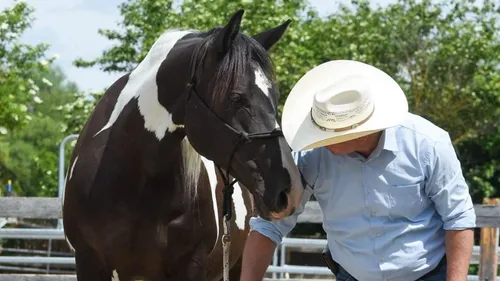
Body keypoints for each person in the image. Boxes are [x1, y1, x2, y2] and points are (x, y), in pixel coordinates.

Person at [239, 60, 476, 281]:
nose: (318, 139)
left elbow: (458, 219)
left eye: (327, 133)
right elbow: (270, 224)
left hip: (428, 275)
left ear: (359, 131)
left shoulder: (427, 143)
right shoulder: (311, 155)